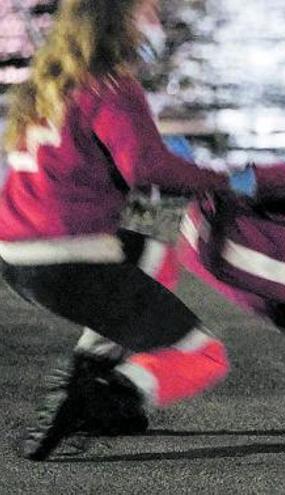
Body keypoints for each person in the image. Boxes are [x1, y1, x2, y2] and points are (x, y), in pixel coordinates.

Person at [0, 0, 258, 460]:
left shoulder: (49, 82)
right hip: (73, 257)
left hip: (17, 256)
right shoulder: (113, 87)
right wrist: (227, 180)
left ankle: (88, 369)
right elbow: (144, 166)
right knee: (202, 356)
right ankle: (100, 399)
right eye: (148, 12)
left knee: (157, 259)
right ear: (120, 22)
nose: (156, 21)